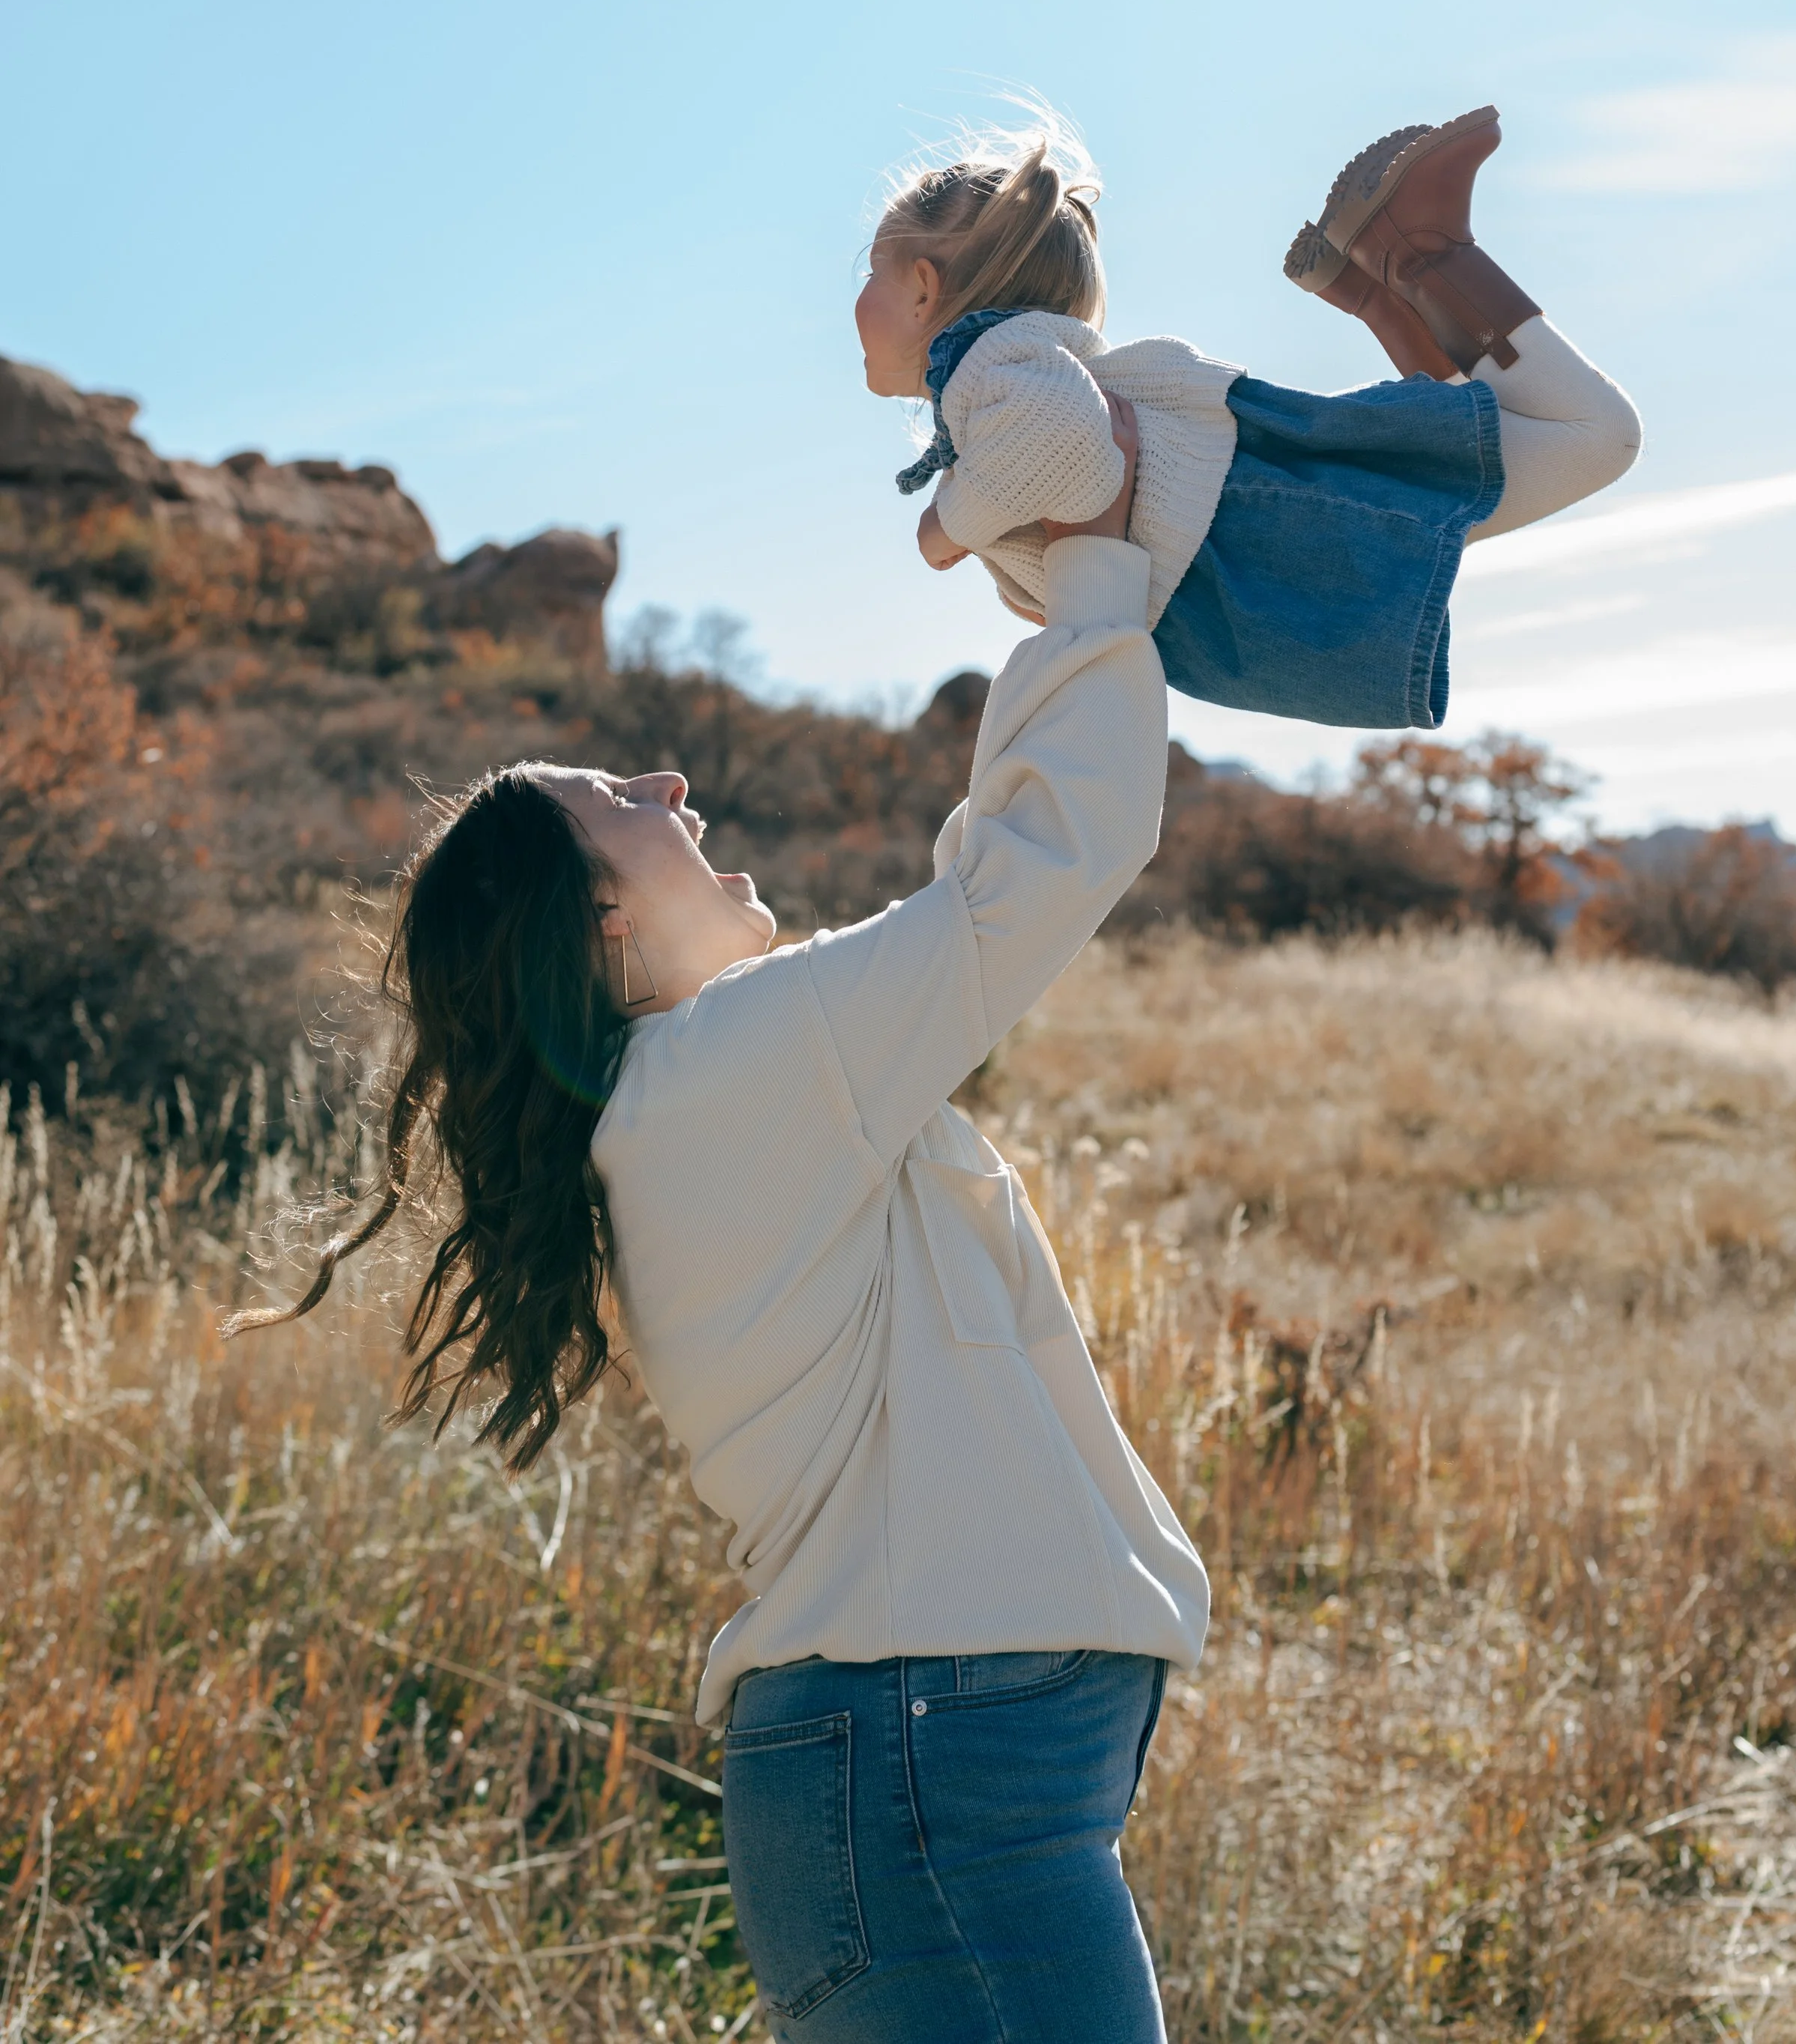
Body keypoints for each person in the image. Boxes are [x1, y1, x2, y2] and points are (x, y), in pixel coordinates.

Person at [234, 401, 1204, 2043]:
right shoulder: (735, 1068)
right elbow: (1045, 858)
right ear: (603, 912)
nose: (666, 776)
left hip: (924, 1772)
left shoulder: (705, 1092)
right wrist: (1091, 568)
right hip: (930, 1774)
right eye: (617, 794)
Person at [858, 105, 1642, 728]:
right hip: (1241, 525)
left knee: (1595, 437)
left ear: (925, 288)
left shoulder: (983, 365)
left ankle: (1419, 254)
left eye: (871, 272)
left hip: (1247, 529)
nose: (856, 299)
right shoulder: (1002, 378)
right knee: (1462, 474)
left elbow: (1071, 448)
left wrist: (943, 528)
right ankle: (1384, 287)